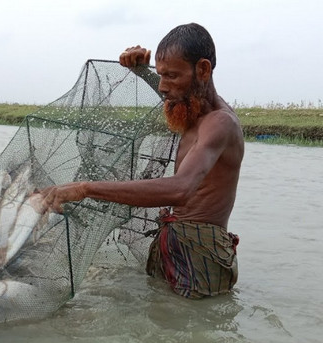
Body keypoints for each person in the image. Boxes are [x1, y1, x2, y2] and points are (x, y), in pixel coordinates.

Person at [41, 23, 244, 299]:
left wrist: (85, 188)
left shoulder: (220, 123)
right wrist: (141, 71)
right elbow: (171, 93)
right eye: (160, 75)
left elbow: (180, 189)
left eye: (172, 75)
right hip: (171, 237)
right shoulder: (192, 110)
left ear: (203, 70)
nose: (162, 86)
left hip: (202, 253)